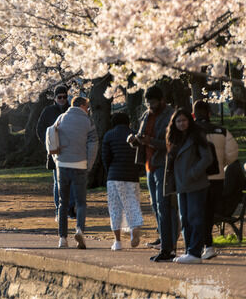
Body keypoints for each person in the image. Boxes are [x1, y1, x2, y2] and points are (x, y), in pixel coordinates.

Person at [127, 86, 177, 262]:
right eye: (148, 103)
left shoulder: (171, 115)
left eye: (153, 102)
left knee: (164, 207)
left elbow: (171, 142)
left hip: (163, 165)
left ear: (162, 100)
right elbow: (142, 136)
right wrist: (135, 140)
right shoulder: (146, 115)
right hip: (149, 165)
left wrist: (151, 142)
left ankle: (168, 248)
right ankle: (165, 241)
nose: (150, 106)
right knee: (156, 207)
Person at [164, 108, 214, 264]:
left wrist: (193, 173)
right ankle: (189, 251)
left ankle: (194, 252)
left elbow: (207, 158)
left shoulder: (197, 135)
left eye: (184, 120)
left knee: (195, 217)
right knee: (184, 218)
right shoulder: (174, 138)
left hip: (196, 183)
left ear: (189, 120)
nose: (181, 123)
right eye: (178, 121)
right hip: (181, 184)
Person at [193, 99, 240, 259]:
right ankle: (208, 245)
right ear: (209, 113)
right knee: (210, 211)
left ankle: (202, 245)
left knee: (198, 212)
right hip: (218, 178)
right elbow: (233, 154)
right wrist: (221, 163)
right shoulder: (221, 131)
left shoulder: (191, 130)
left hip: (197, 178)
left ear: (194, 114)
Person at [48, 95, 97, 248]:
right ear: (82, 106)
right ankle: (80, 229)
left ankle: (62, 238)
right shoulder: (88, 122)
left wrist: (56, 160)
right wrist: (88, 164)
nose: (88, 110)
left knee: (63, 202)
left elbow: (52, 137)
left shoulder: (61, 118)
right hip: (80, 165)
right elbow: (93, 144)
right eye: (87, 107)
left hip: (62, 165)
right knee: (81, 202)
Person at [101, 111, 143, 250]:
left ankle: (117, 241)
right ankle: (134, 228)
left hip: (114, 175)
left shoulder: (109, 135)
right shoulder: (134, 135)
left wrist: (109, 171)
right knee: (132, 202)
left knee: (115, 208)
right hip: (132, 175)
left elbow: (106, 157)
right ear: (128, 122)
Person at [36, 85, 71, 221]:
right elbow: (39, 129)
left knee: (70, 183)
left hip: (70, 150)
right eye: (59, 97)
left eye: (64, 97)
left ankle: (68, 210)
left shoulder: (71, 111)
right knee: (57, 182)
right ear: (55, 98)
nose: (62, 99)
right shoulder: (48, 111)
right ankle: (59, 210)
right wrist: (48, 144)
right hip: (55, 153)